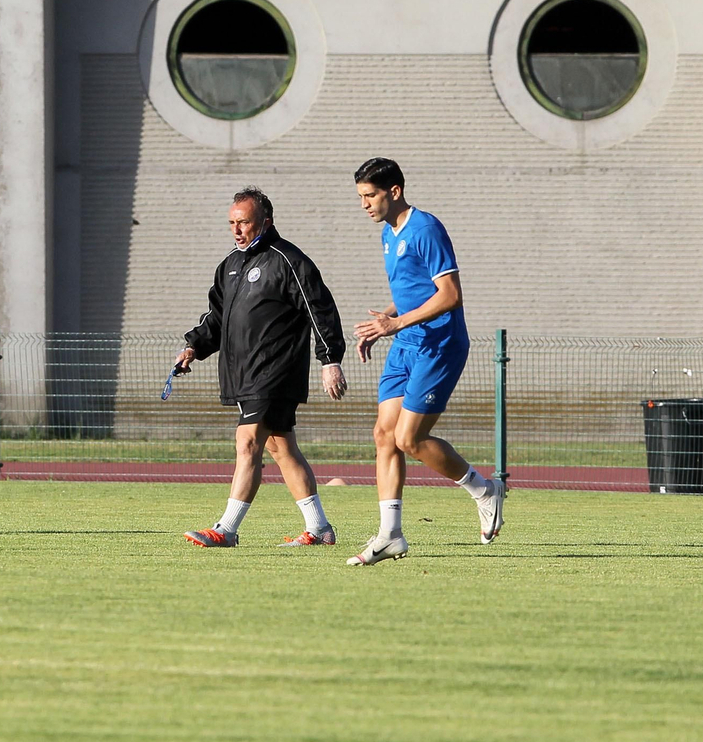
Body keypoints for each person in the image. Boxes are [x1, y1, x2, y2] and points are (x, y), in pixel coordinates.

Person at [345, 158, 506, 567]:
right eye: (361, 196)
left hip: (440, 344)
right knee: (383, 434)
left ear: (394, 191)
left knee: (408, 439)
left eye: (370, 195)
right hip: (405, 342)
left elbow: (450, 294)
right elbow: (412, 292)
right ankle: (390, 535)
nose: (364, 204)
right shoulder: (387, 233)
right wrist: (381, 324)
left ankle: (483, 489)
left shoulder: (425, 228)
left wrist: (394, 323)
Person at [176, 187, 348, 548]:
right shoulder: (230, 265)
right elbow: (217, 317)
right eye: (232, 223)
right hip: (244, 373)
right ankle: (319, 529)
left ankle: (226, 529)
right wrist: (195, 345)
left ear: (265, 222)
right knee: (280, 447)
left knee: (247, 440)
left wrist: (329, 360)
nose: (237, 230)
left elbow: (321, 310)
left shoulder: (288, 260)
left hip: (275, 370)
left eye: (244, 222)